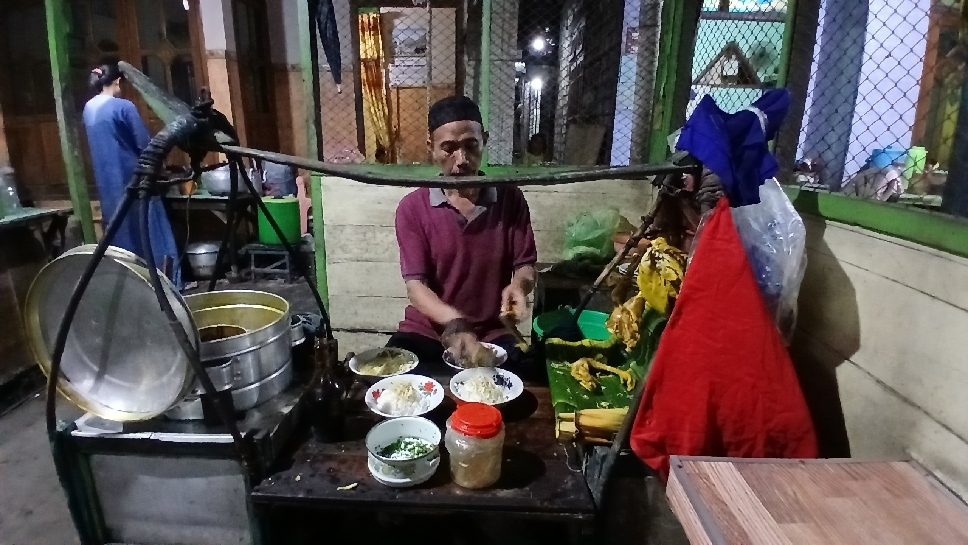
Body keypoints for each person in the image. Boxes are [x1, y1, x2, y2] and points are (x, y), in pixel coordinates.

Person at [387, 96, 537, 376]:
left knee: (523, 390)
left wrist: (519, 286)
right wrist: (456, 321)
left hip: (492, 335)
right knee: (394, 386)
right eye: (449, 149)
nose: (462, 160)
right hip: (428, 332)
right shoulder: (412, 208)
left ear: (485, 140)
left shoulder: (510, 199)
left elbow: (525, 265)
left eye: (471, 146)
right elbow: (416, 287)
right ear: (431, 147)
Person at [83, 63, 181, 285]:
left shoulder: (89, 109)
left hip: (107, 183)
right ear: (117, 82)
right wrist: (163, 169)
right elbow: (146, 145)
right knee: (153, 231)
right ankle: (168, 283)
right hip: (136, 179)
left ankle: (132, 284)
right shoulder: (124, 107)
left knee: (121, 233)